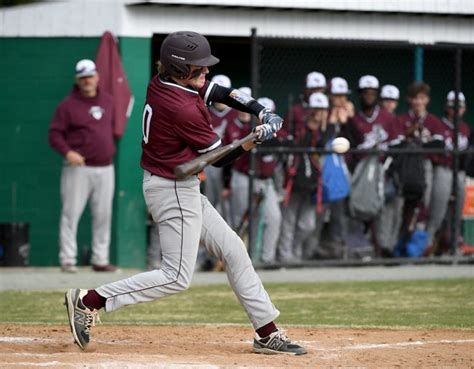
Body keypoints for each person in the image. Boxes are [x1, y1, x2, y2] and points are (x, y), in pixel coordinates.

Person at [64, 31, 306, 356]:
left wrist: (260, 111)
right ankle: (88, 301)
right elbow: (221, 158)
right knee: (176, 276)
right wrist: (254, 138)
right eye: (200, 68)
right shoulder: (181, 108)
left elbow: (219, 91)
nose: (206, 73)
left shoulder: (165, 80)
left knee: (233, 249)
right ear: (181, 71)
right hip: (172, 189)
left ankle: (266, 332)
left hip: (179, 184)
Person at [48, 59, 118, 273]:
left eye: (90, 76)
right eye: (83, 78)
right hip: (78, 168)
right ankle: (68, 259)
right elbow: (54, 134)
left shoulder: (108, 101)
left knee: (103, 214)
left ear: (97, 77)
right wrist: (68, 152)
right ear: (77, 80)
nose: (87, 81)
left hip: (106, 167)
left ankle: (100, 259)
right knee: (71, 213)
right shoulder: (67, 105)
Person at [222, 94, 282, 264]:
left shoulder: (277, 136)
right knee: (240, 221)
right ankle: (236, 260)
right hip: (243, 178)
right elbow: (228, 160)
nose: (266, 125)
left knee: (274, 217)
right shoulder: (244, 131)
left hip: (266, 181)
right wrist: (226, 183)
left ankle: (266, 259)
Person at [278, 92, 335, 262]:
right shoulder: (300, 128)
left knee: (308, 224)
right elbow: (296, 143)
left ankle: (296, 250)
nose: (319, 113)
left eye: (323, 109)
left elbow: (321, 145)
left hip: (314, 184)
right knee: (289, 220)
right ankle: (285, 255)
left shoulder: (328, 129)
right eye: (316, 109)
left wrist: (323, 125)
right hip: (296, 180)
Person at [425, 91, 470, 254]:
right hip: (442, 169)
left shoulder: (465, 128)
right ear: (447, 108)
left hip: (458, 172)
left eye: (460, 107)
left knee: (457, 211)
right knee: (437, 211)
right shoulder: (438, 125)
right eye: (453, 107)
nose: (456, 110)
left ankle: (454, 244)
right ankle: (427, 245)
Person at [282, 71, 327, 140]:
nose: (316, 92)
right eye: (313, 89)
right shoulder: (296, 110)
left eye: (319, 89)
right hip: (300, 147)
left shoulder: (329, 109)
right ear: (306, 89)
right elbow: (284, 132)